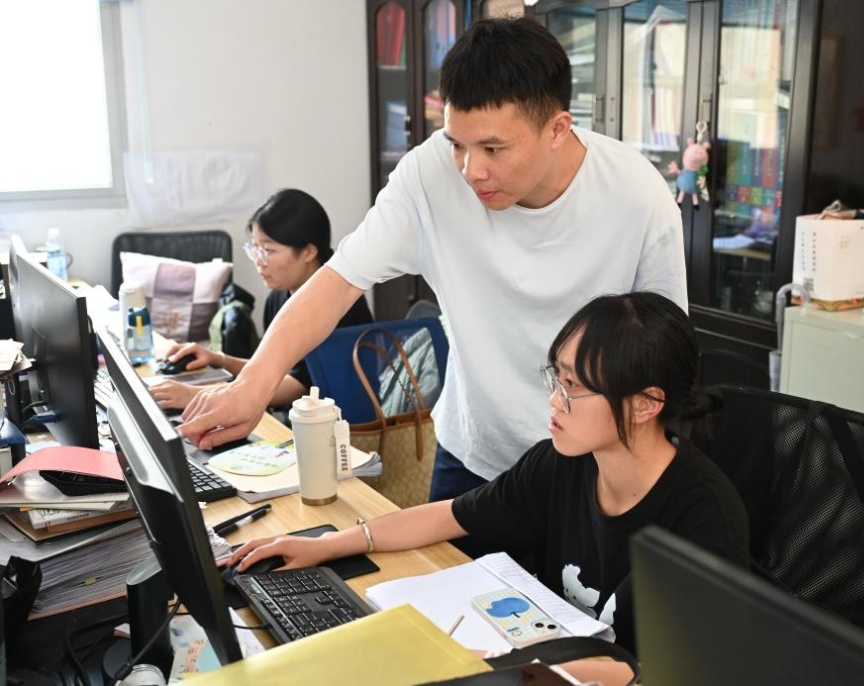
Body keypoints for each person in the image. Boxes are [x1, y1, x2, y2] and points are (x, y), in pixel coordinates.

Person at [179, 17, 687, 504]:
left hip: (591, 466)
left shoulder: (636, 195)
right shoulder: (428, 175)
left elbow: (664, 355)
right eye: (457, 144)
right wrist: (252, 385)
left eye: (493, 148)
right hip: (475, 454)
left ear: (557, 129)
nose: (470, 170)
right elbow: (338, 282)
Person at [226, 293, 749, 685]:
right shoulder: (562, 463)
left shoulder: (703, 515)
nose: (554, 400)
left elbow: (678, 671)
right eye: (556, 378)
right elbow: (452, 514)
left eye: (573, 387)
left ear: (645, 404)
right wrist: (328, 544)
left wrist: (509, 664)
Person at [150, 189, 372, 411]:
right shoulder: (279, 296)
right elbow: (269, 370)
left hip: (342, 420)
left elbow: (300, 387)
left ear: (308, 252)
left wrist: (197, 395)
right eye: (255, 248)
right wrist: (217, 359)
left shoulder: (336, 300)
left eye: (268, 250)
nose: (258, 261)